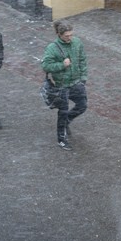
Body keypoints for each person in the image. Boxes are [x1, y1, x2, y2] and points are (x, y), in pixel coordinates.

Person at [41, 20, 88, 150]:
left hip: (76, 82)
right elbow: (45, 66)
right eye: (67, 36)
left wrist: (83, 77)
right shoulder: (52, 48)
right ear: (59, 35)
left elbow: (83, 59)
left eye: (71, 35)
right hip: (61, 85)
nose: (70, 38)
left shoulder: (77, 42)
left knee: (82, 106)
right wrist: (62, 65)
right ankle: (61, 139)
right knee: (63, 111)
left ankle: (68, 120)